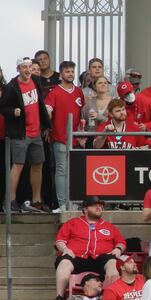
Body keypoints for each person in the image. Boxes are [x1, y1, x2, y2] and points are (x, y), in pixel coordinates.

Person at [53, 197, 125, 300]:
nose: (99, 207)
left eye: (100, 205)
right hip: (77, 257)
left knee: (113, 262)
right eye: (95, 205)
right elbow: (59, 241)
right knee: (64, 262)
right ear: (85, 209)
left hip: (101, 259)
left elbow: (121, 242)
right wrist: (65, 249)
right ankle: (60, 298)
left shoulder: (109, 226)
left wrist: (118, 249)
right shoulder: (72, 223)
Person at [0, 57, 52, 213]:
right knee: (18, 165)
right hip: (20, 133)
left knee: (38, 164)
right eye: (24, 67)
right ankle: (10, 200)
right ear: (18, 69)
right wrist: (12, 111)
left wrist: (45, 125)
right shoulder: (11, 87)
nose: (28, 70)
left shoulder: (36, 80)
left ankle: (37, 200)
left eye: (30, 66)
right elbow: (3, 107)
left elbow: (40, 103)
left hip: (36, 131)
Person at [44, 60, 84, 212]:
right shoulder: (54, 92)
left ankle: (73, 203)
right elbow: (48, 108)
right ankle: (62, 204)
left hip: (76, 139)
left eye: (72, 71)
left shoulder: (79, 92)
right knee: (61, 170)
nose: (70, 74)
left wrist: (82, 133)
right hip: (60, 137)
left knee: (75, 170)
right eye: (67, 71)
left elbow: (83, 115)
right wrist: (47, 118)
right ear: (61, 74)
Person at [116, 81, 151, 148]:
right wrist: (131, 127)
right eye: (126, 94)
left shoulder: (146, 101)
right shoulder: (119, 106)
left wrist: (146, 126)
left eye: (130, 92)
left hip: (149, 139)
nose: (129, 95)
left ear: (133, 91)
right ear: (121, 98)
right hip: (129, 140)